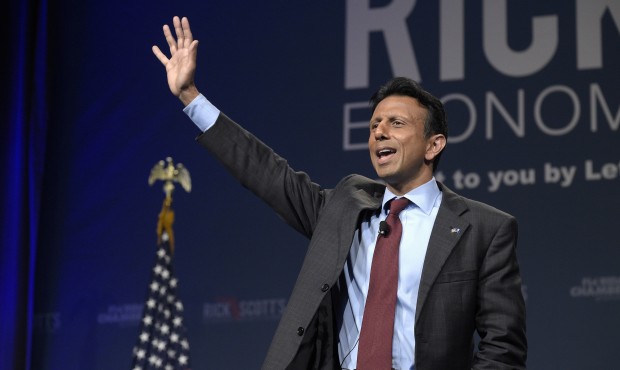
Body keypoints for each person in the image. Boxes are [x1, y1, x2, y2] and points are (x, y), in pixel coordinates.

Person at [152, 16, 527, 370]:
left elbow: (502, 346)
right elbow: (266, 172)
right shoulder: (346, 205)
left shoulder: (484, 228)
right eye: (374, 124)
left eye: (396, 123)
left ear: (434, 145)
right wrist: (190, 96)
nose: (379, 132)